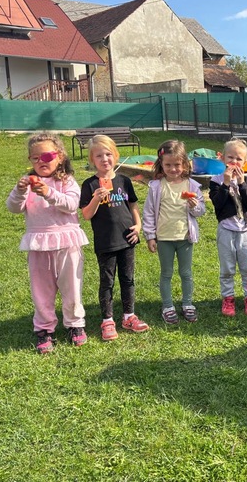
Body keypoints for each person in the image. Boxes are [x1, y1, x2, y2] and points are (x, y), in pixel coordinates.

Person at [6, 132, 88, 353]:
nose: (41, 162)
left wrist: (49, 193)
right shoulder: (27, 183)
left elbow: (72, 205)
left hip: (67, 241)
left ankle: (75, 324)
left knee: (72, 286)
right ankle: (44, 328)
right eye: (35, 158)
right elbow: (13, 208)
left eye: (47, 156)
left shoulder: (66, 181)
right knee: (41, 289)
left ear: (59, 156)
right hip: (39, 243)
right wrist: (19, 191)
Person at [80, 135, 148, 341]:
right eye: (99, 156)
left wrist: (138, 225)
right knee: (107, 281)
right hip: (106, 241)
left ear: (115, 156)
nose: (104, 159)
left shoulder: (124, 181)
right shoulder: (90, 184)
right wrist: (96, 199)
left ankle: (129, 316)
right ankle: (107, 320)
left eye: (108, 154)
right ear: (92, 160)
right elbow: (86, 214)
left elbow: (132, 204)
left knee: (128, 279)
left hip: (127, 239)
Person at [142, 140, 205, 325]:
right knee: (166, 273)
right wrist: (150, 236)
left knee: (186, 273)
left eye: (177, 164)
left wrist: (194, 206)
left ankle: (188, 304)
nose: (173, 169)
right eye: (168, 165)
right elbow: (148, 212)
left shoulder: (192, 186)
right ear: (161, 164)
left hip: (185, 237)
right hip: (164, 238)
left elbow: (200, 211)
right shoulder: (156, 186)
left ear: (184, 164)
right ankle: (168, 306)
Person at [209, 139, 247, 316]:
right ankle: (228, 298)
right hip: (226, 230)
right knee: (227, 268)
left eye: (239, 159)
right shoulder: (216, 181)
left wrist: (242, 183)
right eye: (230, 157)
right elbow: (217, 203)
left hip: (245, 231)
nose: (234, 162)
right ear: (222, 158)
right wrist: (226, 183)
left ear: (245, 162)